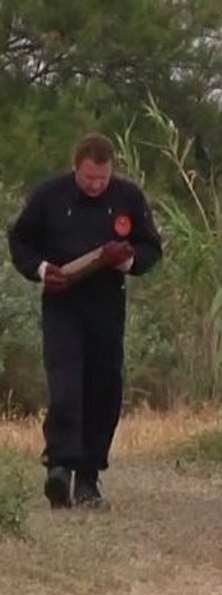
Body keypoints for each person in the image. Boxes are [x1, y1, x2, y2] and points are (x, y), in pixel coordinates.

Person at [6, 132, 163, 509]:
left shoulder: (128, 198)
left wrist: (127, 260)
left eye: (102, 179)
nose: (95, 185)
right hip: (62, 303)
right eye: (89, 178)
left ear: (111, 172)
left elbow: (150, 247)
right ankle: (59, 467)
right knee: (65, 386)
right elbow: (20, 242)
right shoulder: (49, 196)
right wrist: (42, 269)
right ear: (76, 168)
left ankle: (88, 478)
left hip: (107, 306)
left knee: (104, 390)